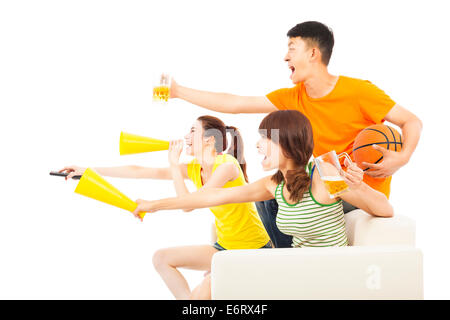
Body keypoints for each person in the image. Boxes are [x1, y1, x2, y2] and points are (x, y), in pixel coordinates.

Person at [165, 21, 422, 247]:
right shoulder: (294, 97)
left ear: (313, 53)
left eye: (291, 48)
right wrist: (178, 91)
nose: (285, 58)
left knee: (277, 196)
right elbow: (236, 103)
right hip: (324, 182)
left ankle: (286, 265)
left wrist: (403, 157)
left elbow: (411, 121)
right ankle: (285, 263)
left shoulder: (359, 92)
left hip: (357, 190)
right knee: (270, 197)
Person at [132, 110, 394, 299]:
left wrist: (359, 187)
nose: (257, 145)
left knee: (210, 285)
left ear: (288, 142)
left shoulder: (324, 174)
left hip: (329, 276)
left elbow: (385, 210)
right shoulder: (273, 184)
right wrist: (153, 205)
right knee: (207, 288)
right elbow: (212, 197)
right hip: (295, 272)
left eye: (265, 138)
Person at [59, 115, 270, 300]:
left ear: (209, 139)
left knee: (201, 296)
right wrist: (87, 171)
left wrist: (172, 169)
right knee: (161, 259)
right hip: (223, 247)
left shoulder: (227, 165)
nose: (186, 136)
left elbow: (191, 203)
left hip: (251, 250)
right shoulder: (194, 168)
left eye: (193, 130)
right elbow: (139, 171)